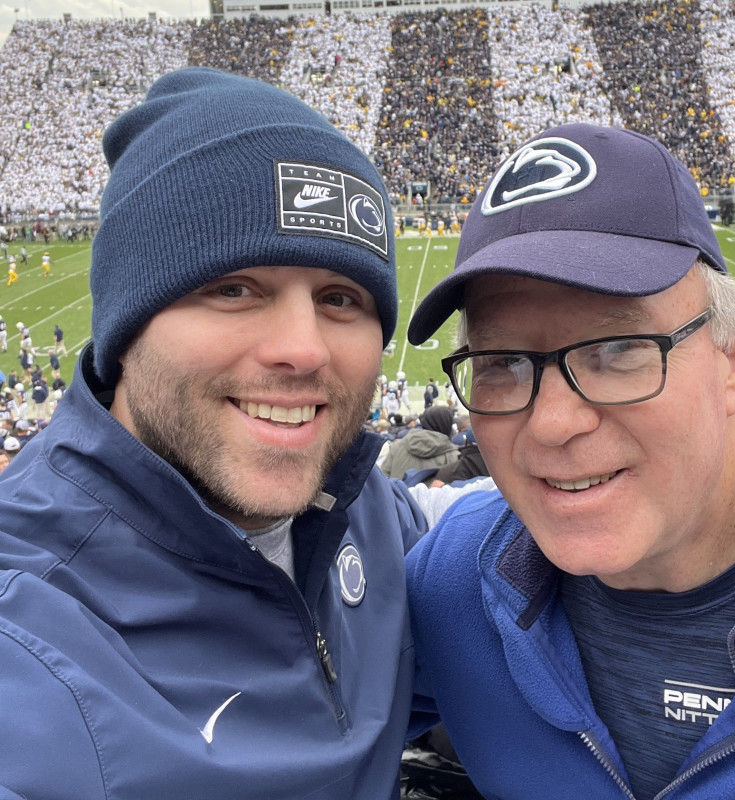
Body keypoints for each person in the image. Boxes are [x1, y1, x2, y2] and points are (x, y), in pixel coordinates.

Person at [0, 67, 445, 800]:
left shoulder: (367, 514)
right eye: (233, 288)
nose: (303, 348)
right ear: (126, 325)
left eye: (341, 298)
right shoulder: (29, 636)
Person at [404, 124, 735, 799]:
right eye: (501, 362)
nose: (553, 424)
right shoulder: (452, 581)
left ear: (734, 358)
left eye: (617, 350)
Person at [380, 405, 459, 481]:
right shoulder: (454, 456)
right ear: (448, 425)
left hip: (397, 490)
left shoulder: (396, 447)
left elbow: (382, 478)